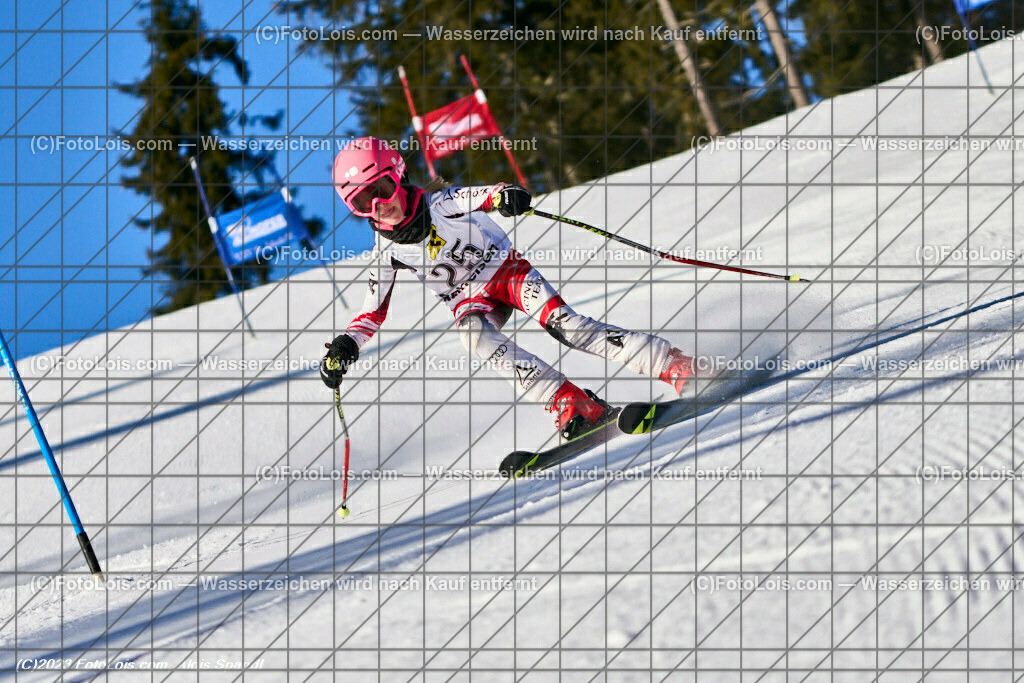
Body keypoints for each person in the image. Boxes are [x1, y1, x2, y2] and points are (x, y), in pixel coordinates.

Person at [321, 136, 694, 439]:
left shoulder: (440, 204)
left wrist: (504, 196)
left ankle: (674, 365)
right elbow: (372, 311)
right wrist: (346, 345)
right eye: (363, 203)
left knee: (568, 327)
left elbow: (484, 195)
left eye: (382, 190)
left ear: (398, 175)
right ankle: (573, 404)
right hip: (470, 301)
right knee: (472, 335)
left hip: (508, 273)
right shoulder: (386, 253)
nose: (379, 206)